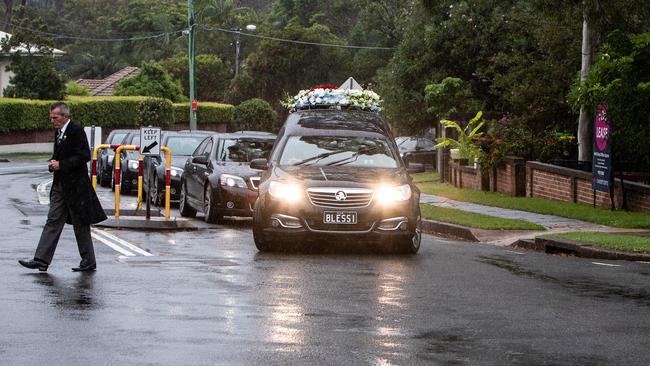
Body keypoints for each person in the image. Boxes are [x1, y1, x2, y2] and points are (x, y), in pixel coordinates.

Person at [19, 102, 107, 272]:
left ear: (65, 116)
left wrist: (62, 164)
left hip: (76, 188)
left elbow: (84, 156)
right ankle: (41, 260)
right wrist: (53, 164)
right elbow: (58, 156)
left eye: (55, 117)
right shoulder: (58, 131)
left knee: (80, 224)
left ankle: (88, 261)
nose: (52, 120)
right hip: (60, 185)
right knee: (53, 221)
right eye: (51, 117)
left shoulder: (76, 130)